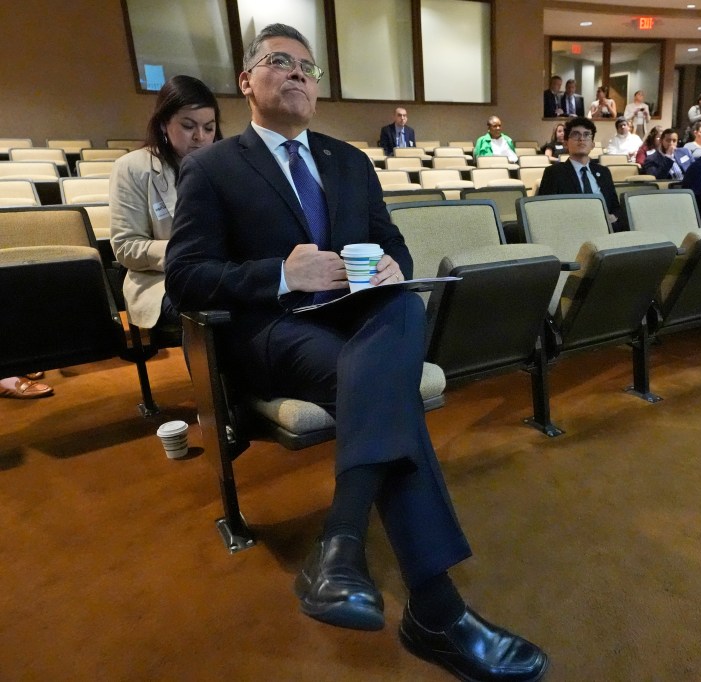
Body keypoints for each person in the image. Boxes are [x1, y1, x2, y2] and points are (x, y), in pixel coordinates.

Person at [164, 24, 548, 681]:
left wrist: (394, 269)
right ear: (247, 82)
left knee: (402, 306)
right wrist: (283, 274)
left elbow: (389, 243)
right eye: (279, 62)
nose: (298, 75)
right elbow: (186, 278)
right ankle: (437, 611)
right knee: (385, 390)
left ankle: (342, 546)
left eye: (308, 67)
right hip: (273, 329)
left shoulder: (348, 160)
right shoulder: (213, 167)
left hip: (359, 319)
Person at [109, 75, 221, 345]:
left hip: (220, 271)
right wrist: (183, 253)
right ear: (163, 124)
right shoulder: (132, 168)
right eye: (188, 126)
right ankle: (217, 386)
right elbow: (126, 246)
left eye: (209, 128)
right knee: (210, 311)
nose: (200, 137)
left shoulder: (224, 165)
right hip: (162, 281)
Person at [536, 116, 621, 226]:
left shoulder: (604, 172)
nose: (581, 139)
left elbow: (616, 207)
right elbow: (545, 211)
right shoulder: (554, 173)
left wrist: (613, 217)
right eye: (576, 134)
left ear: (592, 145)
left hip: (606, 229)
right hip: (571, 230)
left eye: (586, 135)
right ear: (566, 143)